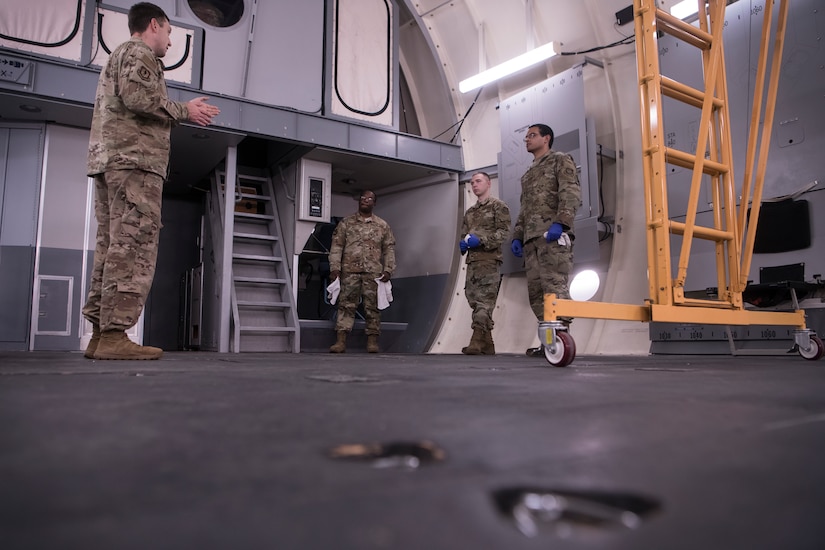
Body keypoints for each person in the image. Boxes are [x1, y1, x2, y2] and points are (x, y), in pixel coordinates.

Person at [82, 2, 220, 360]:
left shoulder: (118, 56)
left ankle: (100, 335)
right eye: (170, 33)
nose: (171, 42)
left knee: (111, 247)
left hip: (113, 161)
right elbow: (139, 98)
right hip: (135, 164)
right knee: (133, 248)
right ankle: (114, 335)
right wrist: (184, 110)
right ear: (154, 25)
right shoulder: (139, 53)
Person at [510, 123, 581, 356]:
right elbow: (525, 208)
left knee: (554, 288)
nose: (527, 140)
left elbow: (570, 192)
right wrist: (518, 236)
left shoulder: (560, 160)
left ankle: (561, 340)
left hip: (552, 236)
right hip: (532, 241)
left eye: (532, 135)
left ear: (546, 138)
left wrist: (561, 222)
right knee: (537, 294)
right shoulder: (528, 174)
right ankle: (548, 343)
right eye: (526, 137)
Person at [328, 190, 396, 353]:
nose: (365, 200)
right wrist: (335, 268)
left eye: (369, 198)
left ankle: (372, 341)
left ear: (374, 203)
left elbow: (389, 249)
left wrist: (388, 270)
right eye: (363, 198)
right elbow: (337, 246)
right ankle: (341, 341)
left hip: (373, 273)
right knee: (346, 305)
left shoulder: (382, 225)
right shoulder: (346, 223)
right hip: (349, 271)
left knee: (372, 307)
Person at [458, 172, 511, 355]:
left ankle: (476, 340)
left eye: (478, 181)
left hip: (489, 261)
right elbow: (464, 233)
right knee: (473, 299)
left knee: (484, 302)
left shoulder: (498, 207)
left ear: (488, 183)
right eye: (472, 183)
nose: (474, 185)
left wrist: (481, 241)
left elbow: (504, 233)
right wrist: (463, 244)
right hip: (472, 262)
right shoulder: (470, 213)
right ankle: (488, 343)